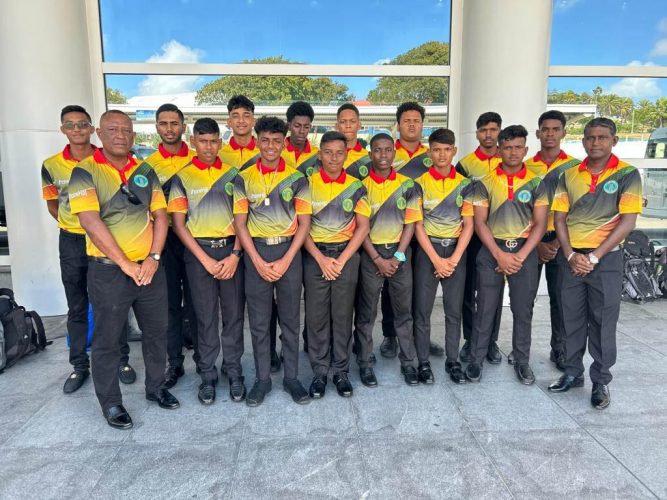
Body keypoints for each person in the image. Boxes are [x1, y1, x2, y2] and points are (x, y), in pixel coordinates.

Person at [69, 110, 179, 430]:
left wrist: (153, 258)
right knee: (107, 338)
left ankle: (156, 387)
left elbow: (160, 216)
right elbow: (90, 221)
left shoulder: (145, 171)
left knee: (157, 332)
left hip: (148, 269)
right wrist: (126, 263)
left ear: (133, 136)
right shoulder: (84, 172)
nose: (120, 135)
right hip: (109, 272)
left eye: (126, 130)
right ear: (99, 134)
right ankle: (111, 402)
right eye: (113, 129)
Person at [549, 117, 642, 410]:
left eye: (602, 137)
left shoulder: (627, 175)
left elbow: (627, 222)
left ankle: (600, 380)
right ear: (583, 140)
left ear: (614, 140)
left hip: (605, 260)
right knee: (571, 318)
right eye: (590, 137)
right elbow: (560, 218)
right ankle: (573, 372)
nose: (595, 143)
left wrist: (593, 257)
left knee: (602, 321)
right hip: (571, 258)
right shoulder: (569, 175)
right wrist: (569, 254)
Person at [41, 105, 135, 393]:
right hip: (73, 241)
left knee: (113, 304)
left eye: (82, 124)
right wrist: (76, 226)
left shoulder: (106, 161)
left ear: (91, 128)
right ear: (63, 130)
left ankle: (122, 361)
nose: (77, 130)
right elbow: (53, 204)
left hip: (108, 241)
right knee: (78, 305)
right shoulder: (51, 165)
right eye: (71, 125)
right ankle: (79, 365)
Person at [233, 116, 312, 407]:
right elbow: (240, 224)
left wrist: (287, 259)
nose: (270, 146)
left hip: (289, 253)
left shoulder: (297, 179)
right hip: (257, 254)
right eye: (265, 140)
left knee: (291, 322)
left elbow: (304, 224)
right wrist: (255, 259)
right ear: (257, 141)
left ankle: (291, 378)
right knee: (259, 322)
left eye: (277, 141)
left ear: (284, 142)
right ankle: (263, 380)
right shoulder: (243, 177)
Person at [168, 117, 246, 405]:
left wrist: (236, 254)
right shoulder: (182, 178)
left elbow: (242, 221)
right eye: (203, 141)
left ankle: (234, 370)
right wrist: (202, 258)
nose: (209, 146)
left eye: (214, 141)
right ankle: (207, 375)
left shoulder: (234, 175)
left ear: (220, 143)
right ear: (193, 142)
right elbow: (179, 224)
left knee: (234, 315)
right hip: (198, 253)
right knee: (204, 317)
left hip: (230, 253)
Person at [466, 125, 548, 384]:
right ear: (499, 149)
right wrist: (499, 255)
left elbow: (541, 224)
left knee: (523, 309)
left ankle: (522, 361)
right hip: (491, 251)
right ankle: (476, 359)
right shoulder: (484, 183)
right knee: (485, 308)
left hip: (525, 251)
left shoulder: (538, 183)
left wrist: (521, 256)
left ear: (525, 149)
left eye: (518, 147)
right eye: (508, 147)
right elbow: (479, 223)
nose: (513, 152)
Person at [303, 131, 370, 398]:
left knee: (342, 316)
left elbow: (363, 227)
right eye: (328, 152)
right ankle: (319, 372)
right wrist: (321, 259)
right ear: (319, 155)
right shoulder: (305, 184)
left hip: (346, 257)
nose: (333, 158)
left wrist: (341, 260)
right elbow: (301, 227)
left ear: (346, 154)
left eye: (339, 153)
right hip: (315, 257)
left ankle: (341, 371)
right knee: (316, 317)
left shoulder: (356, 186)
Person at [354, 133, 420, 387]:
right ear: (370, 154)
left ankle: (408, 362)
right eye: (378, 150)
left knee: (403, 312)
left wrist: (398, 256)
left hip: (400, 255)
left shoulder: (408, 185)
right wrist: (377, 259)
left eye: (388, 150)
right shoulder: (359, 186)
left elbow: (411, 225)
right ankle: (365, 363)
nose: (383, 155)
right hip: (370, 254)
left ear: (395, 153)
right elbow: (359, 228)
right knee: (367, 312)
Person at [380, 102, 445, 359]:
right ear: (398, 125)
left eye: (416, 120)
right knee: (390, 286)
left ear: (422, 124)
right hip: (395, 234)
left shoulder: (433, 156)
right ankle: (390, 336)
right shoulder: (386, 154)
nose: (411, 125)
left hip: (427, 233)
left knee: (422, 287)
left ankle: (421, 336)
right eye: (406, 120)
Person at [142, 103, 198, 389]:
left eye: (174, 123)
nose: (169, 128)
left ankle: (204, 360)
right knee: (170, 306)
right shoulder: (148, 165)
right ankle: (175, 364)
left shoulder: (200, 158)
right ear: (156, 128)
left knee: (199, 304)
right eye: (163, 123)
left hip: (195, 239)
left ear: (183, 126)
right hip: (164, 242)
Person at [413, 128, 474, 384]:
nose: (442, 154)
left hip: (455, 253)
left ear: (454, 151)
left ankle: (452, 360)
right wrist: (437, 260)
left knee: (453, 311)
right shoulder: (419, 184)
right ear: (429, 152)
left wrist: (454, 259)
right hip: (428, 253)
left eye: (447, 149)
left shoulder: (465, 185)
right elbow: (417, 225)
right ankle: (423, 362)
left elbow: (469, 224)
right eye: (436, 149)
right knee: (423, 311)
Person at [522, 110, 580, 370]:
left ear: (563, 133)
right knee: (526, 298)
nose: (550, 134)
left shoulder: (576, 168)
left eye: (556, 129)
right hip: (530, 241)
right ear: (538, 133)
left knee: (560, 298)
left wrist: (557, 243)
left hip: (562, 241)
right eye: (545, 129)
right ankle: (521, 349)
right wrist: (536, 244)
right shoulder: (527, 167)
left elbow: (578, 210)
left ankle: (560, 349)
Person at [455, 112, 504, 365]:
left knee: (493, 292)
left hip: (498, 238)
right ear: (476, 133)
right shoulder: (464, 165)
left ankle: (491, 341)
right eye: (484, 129)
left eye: (493, 129)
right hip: (470, 238)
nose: (488, 134)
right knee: (467, 290)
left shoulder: (508, 162)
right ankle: (470, 339)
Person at [219, 95, 260, 171]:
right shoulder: (219, 156)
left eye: (246, 115)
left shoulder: (264, 152)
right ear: (229, 122)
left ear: (254, 121)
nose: (241, 120)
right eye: (235, 116)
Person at [336, 103, 372, 180]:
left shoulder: (369, 159)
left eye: (352, 121)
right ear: (337, 126)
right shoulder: (327, 157)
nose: (348, 125)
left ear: (359, 125)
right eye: (343, 122)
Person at [282, 101, 320, 176]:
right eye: (297, 126)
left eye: (306, 127)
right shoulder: (277, 151)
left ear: (310, 127)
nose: (302, 131)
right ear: (288, 125)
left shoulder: (317, 155)